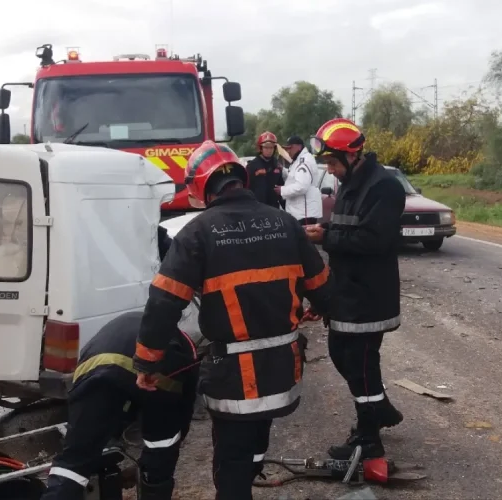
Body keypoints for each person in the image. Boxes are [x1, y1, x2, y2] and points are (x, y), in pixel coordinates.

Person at [133, 141, 332, 500]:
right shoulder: (285, 223)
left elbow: (164, 302)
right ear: (240, 179)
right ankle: (250, 472)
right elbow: (320, 285)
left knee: (232, 464)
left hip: (234, 379)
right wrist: (319, 306)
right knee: (257, 437)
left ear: (200, 187)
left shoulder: (197, 232)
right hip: (282, 369)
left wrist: (148, 361)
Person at [41, 228, 199, 500]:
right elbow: (182, 410)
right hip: (159, 375)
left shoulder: (117, 329)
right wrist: (168, 440)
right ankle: (154, 489)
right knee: (161, 446)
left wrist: (96, 431)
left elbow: (86, 395)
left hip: (97, 370)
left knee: (73, 463)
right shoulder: (184, 345)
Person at [303, 118, 405, 460]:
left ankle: (368, 437)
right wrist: (326, 229)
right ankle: (381, 408)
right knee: (340, 354)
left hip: (369, 296)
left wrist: (326, 236)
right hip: (345, 291)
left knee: (359, 362)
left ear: (352, 156)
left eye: (332, 163)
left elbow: (375, 240)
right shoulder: (350, 182)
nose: (330, 171)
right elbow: (349, 227)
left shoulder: (385, 187)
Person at [279, 135, 324, 323]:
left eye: (289, 148)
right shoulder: (298, 160)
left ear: (298, 146)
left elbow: (301, 186)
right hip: (298, 212)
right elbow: (293, 179)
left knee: (306, 258)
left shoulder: (305, 160)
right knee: (301, 257)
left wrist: (280, 191)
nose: (288, 151)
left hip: (304, 213)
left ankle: (315, 301)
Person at [245, 131, 285, 209]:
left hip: (274, 208)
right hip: (257, 208)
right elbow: (246, 188)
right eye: (266, 147)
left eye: (271, 147)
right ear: (260, 148)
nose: (269, 150)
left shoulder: (277, 165)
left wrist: (285, 207)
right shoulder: (252, 166)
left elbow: (281, 187)